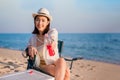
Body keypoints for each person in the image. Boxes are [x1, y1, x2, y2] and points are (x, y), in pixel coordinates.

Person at [26, 8, 70, 80]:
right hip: (41, 66)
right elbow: (24, 52)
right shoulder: (33, 38)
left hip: (55, 62)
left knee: (62, 60)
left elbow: (53, 38)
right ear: (34, 21)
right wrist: (30, 48)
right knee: (66, 73)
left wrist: (53, 42)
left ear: (48, 22)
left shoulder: (52, 32)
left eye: (43, 20)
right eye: (38, 20)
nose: (40, 23)